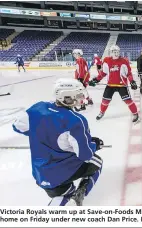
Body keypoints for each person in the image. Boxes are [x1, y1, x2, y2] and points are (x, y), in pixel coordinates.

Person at [12, 78, 104, 206]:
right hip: (60, 173)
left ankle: (67, 194)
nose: (81, 98)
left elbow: (17, 126)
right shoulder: (75, 121)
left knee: (65, 192)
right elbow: (85, 154)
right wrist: (95, 145)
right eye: (77, 95)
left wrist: (41, 132)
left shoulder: (37, 108)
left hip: (40, 174)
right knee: (97, 161)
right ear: (66, 97)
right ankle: (81, 192)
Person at [88, 45, 140, 123]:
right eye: (114, 52)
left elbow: (129, 73)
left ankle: (135, 113)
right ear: (111, 53)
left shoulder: (124, 60)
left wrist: (132, 81)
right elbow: (103, 73)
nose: (116, 53)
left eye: (117, 52)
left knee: (128, 101)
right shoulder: (106, 60)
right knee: (105, 101)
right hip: (110, 85)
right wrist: (96, 80)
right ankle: (102, 112)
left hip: (122, 85)